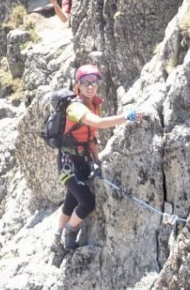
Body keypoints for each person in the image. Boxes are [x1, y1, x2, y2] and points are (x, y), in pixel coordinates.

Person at [55, 63, 147, 251]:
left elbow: (91, 138)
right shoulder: (75, 107)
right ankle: (68, 233)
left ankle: (57, 237)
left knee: (72, 200)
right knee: (87, 202)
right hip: (68, 162)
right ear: (78, 85)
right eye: (85, 82)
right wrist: (126, 117)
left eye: (94, 82)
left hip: (83, 160)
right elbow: (97, 123)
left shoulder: (94, 104)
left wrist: (97, 162)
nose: (90, 86)